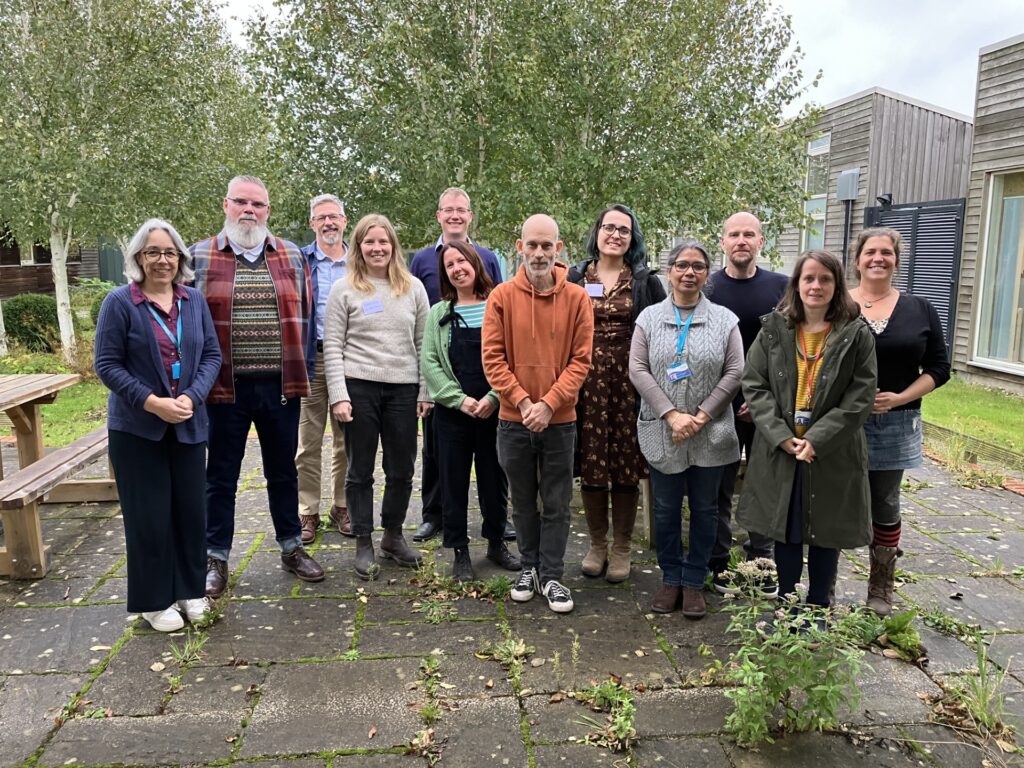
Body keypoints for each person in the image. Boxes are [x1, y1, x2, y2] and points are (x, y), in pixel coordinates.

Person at [192, 175, 324, 599]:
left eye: (258, 205)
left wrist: (301, 371)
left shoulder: (290, 254)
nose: (250, 210)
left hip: (279, 385)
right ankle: (216, 557)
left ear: (268, 211)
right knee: (221, 476)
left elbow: (307, 318)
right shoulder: (197, 256)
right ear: (225, 205)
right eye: (241, 202)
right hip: (222, 388)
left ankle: (291, 546)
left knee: (283, 470)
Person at [95, 219, 222, 631]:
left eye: (169, 253)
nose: (162, 260)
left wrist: (189, 397)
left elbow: (212, 357)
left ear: (181, 259)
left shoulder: (193, 301)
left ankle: (190, 590)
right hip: (137, 429)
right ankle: (153, 600)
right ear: (138, 258)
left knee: (190, 511)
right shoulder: (120, 303)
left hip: (187, 422)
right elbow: (107, 365)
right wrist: (152, 402)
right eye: (153, 252)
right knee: (148, 515)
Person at [737, 250, 877, 611]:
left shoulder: (856, 334)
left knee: (825, 530)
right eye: (809, 278)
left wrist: (818, 438)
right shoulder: (773, 329)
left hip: (830, 450)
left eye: (825, 279)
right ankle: (786, 600)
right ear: (796, 285)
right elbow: (754, 384)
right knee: (785, 526)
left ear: (837, 285)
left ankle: (817, 605)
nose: (816, 286)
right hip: (782, 445)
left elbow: (860, 396)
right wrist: (780, 435)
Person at [482, 214, 593, 614]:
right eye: (533, 245)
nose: (540, 253)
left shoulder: (578, 299)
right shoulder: (501, 297)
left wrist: (549, 404)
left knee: (558, 502)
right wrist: (525, 403)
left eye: (547, 246)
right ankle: (528, 567)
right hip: (513, 420)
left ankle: (552, 575)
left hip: (560, 422)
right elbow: (493, 359)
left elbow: (581, 362)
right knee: (523, 502)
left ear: (559, 250)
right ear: (520, 247)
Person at [628, 241, 742, 619]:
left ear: (707, 274)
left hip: (711, 432)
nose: (689, 272)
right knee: (664, 509)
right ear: (669, 270)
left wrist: (702, 416)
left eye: (698, 266)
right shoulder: (648, 318)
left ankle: (695, 581)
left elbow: (735, 371)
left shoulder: (726, 320)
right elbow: (638, 369)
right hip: (663, 430)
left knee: (707, 509)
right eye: (681, 265)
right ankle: (671, 576)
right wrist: (672, 415)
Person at [323, 214, 431, 580]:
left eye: (383, 242)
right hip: (359, 389)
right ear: (358, 247)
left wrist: (425, 390)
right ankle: (364, 541)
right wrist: (339, 395)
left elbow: (424, 345)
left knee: (401, 468)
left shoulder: (413, 288)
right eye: (369, 242)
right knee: (359, 471)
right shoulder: (344, 289)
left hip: (403, 390)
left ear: (393, 247)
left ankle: (393, 536)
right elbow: (333, 347)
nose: (377, 248)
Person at [848, 228, 949, 615]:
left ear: (896, 259)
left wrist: (901, 397)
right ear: (857, 260)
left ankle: (880, 586)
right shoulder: (839, 303)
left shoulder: (920, 309)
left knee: (885, 502)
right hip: (842, 421)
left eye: (886, 253)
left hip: (895, 423)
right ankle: (822, 584)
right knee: (829, 500)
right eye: (870, 252)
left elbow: (940, 368)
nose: (878, 258)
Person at [568, 204, 666, 583]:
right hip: (586, 384)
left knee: (626, 464)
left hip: (629, 386)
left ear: (632, 238)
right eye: (609, 227)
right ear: (597, 232)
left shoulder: (644, 281)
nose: (615, 235)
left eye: (624, 230)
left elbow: (659, 333)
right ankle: (597, 544)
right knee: (592, 462)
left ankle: (622, 546)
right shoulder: (578, 277)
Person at [408, 187, 511, 544]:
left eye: (461, 210)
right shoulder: (421, 261)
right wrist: (445, 394)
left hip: (492, 400)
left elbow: (506, 346)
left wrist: (495, 395)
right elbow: (428, 348)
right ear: (438, 215)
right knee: (441, 463)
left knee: (494, 471)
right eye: (448, 210)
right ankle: (435, 519)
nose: (456, 268)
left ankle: (497, 531)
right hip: (449, 396)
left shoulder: (493, 275)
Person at [421, 240, 521, 580]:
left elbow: (511, 355)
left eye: (462, 261)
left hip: (496, 411)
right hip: (453, 414)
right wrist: (458, 399)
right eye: (450, 265)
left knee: (495, 481)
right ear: (445, 273)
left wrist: (494, 397)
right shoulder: (438, 313)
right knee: (453, 482)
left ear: (475, 263)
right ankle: (459, 550)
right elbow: (430, 362)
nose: (457, 268)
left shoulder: (499, 304)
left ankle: (496, 544)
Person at [704, 212, 788, 596]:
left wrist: (762, 400)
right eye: (733, 234)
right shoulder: (707, 287)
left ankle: (762, 559)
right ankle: (717, 559)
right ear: (722, 242)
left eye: (749, 234)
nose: (741, 240)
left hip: (766, 405)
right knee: (717, 484)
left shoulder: (781, 289)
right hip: (717, 404)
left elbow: (788, 352)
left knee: (764, 484)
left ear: (761, 242)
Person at [296, 194, 351, 544]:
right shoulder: (297, 261)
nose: (328, 223)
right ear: (313, 224)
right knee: (308, 441)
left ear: (345, 221)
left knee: (348, 440)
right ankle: (308, 511)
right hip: (310, 361)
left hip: (351, 361)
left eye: (334, 216)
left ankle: (342, 506)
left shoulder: (359, 261)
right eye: (321, 218)